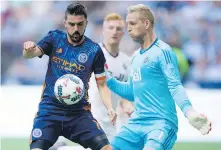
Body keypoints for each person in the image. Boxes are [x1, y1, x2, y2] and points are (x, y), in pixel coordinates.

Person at [105, 4, 212, 150]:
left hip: (161, 124)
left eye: (132, 23)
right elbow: (132, 92)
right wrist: (107, 79)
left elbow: (175, 85)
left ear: (146, 23)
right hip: (136, 124)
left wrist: (190, 112)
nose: (128, 28)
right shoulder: (135, 57)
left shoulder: (163, 51)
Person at [23, 3, 116, 150]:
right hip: (49, 111)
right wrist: (28, 49)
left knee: (107, 148)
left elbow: (102, 84)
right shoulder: (54, 38)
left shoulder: (94, 50)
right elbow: (30, 54)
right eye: (71, 24)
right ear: (65, 23)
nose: (76, 29)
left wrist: (110, 108)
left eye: (80, 24)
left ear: (86, 23)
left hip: (79, 114)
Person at [56, 12, 134, 150]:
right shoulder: (89, 55)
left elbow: (124, 94)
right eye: (110, 28)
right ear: (103, 31)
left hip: (110, 122)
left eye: (118, 28)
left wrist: (128, 106)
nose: (114, 31)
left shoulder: (126, 62)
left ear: (123, 33)